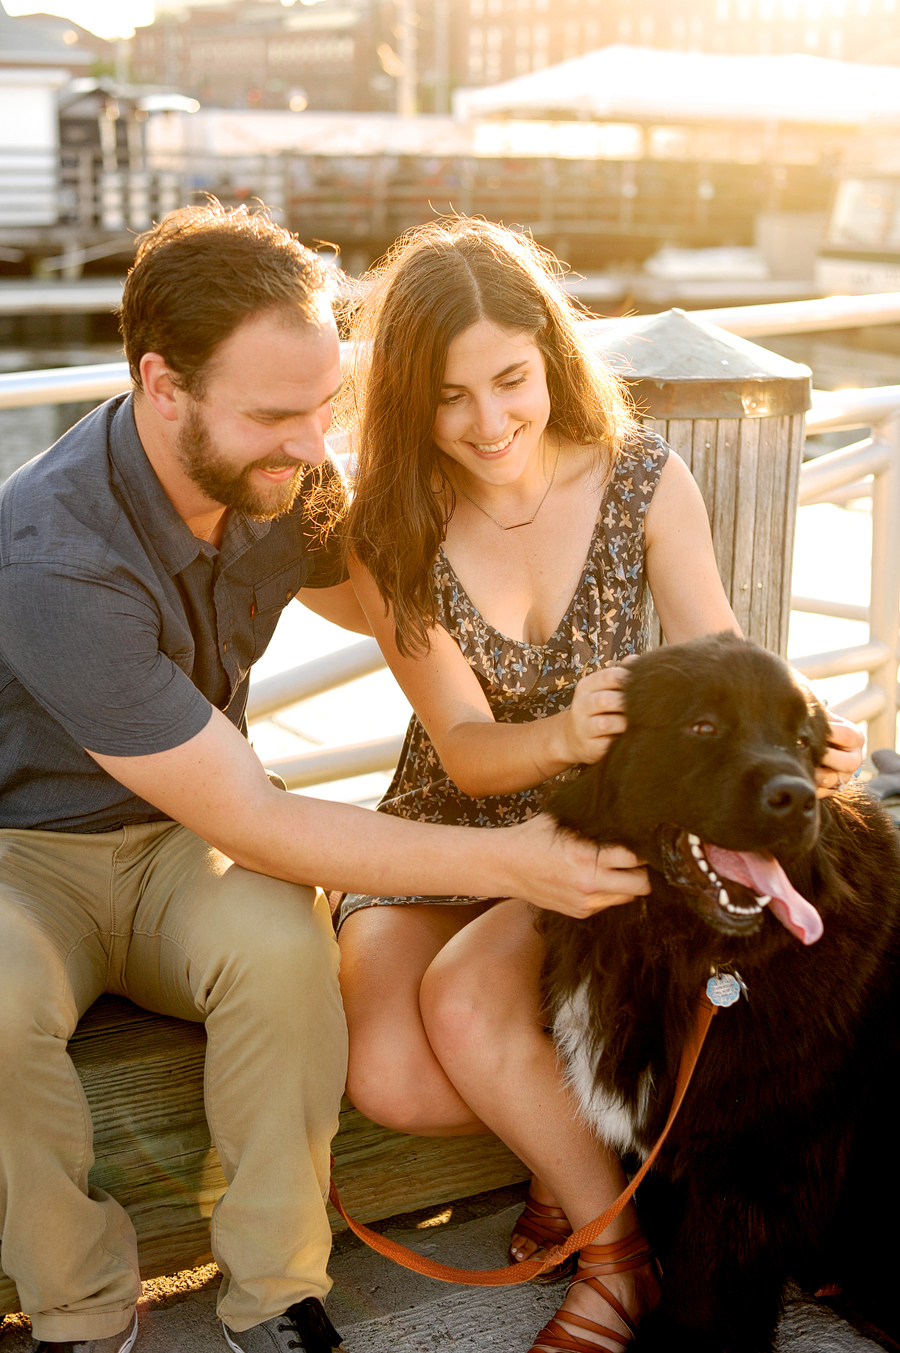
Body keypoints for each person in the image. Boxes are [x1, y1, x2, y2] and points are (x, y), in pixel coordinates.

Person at [0, 205, 653, 1353]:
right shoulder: (51, 554)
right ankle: (79, 1313)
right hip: (27, 856)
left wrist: (546, 533)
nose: (312, 449)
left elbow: (415, 601)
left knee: (285, 953)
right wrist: (514, 858)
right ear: (163, 385)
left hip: (175, 845)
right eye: (273, 415)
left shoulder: (282, 477)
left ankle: (276, 1292)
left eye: (323, 408)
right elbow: (255, 816)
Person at [335, 218, 864, 1353]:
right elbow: (469, 747)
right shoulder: (391, 521)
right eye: (446, 397)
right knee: (388, 1078)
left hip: (588, 830)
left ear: (550, 355)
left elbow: (720, 650)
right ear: (405, 404)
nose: (488, 424)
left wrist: (803, 734)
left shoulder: (642, 482)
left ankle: (615, 1258)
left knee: (469, 1006)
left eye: (511, 380)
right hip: (444, 815)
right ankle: (566, 1153)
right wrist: (569, 727)